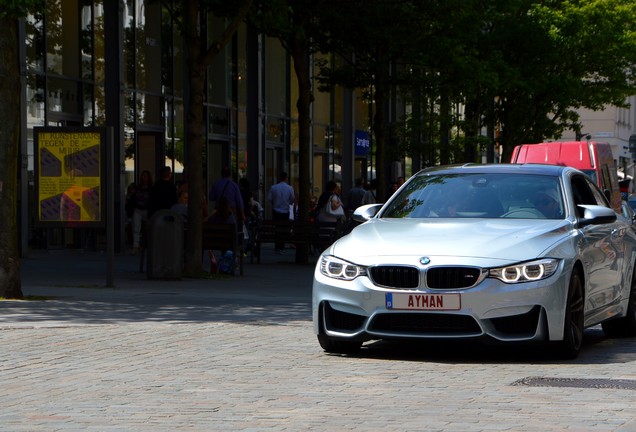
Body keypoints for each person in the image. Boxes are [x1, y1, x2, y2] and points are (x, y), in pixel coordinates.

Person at [268, 172, 295, 253]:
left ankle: (277, 246)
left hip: (276, 210)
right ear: (286, 178)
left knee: (277, 229)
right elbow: (292, 199)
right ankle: (281, 247)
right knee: (283, 229)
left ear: (279, 178)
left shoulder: (273, 187)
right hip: (285, 211)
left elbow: (270, 199)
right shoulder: (290, 188)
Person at [132, 170, 153, 255]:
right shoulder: (138, 188)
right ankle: (135, 246)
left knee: (148, 229)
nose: (144, 178)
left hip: (147, 210)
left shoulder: (151, 189)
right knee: (136, 228)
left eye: (145, 176)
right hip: (138, 209)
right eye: (142, 176)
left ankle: (147, 246)